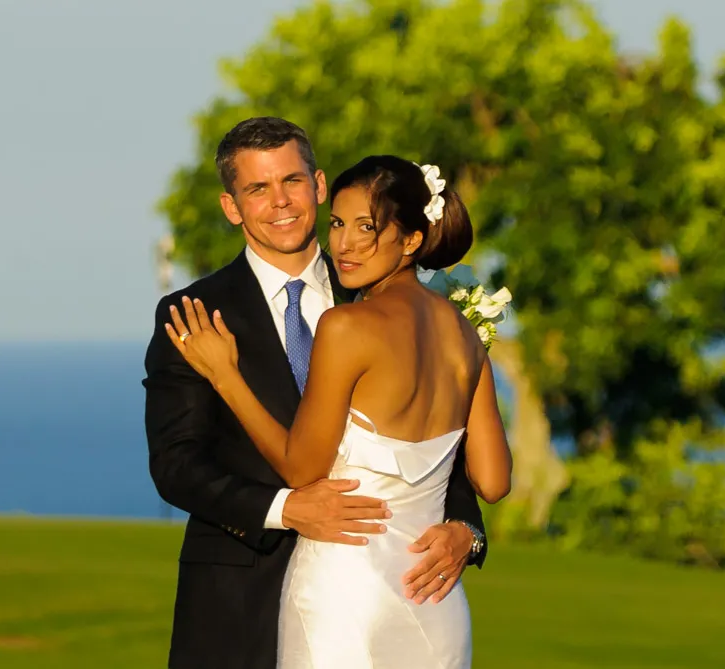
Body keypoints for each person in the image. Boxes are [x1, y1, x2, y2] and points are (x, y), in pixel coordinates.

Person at [142, 117, 490, 669]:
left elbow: (439, 439)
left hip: (388, 594)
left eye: (292, 182)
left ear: (320, 184)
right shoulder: (194, 314)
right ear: (232, 206)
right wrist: (286, 508)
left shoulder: (375, 282)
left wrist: (464, 531)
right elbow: (176, 464)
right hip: (239, 606)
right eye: (258, 188)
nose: (280, 202)